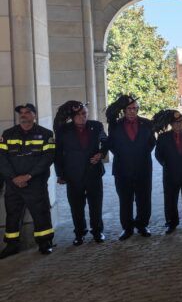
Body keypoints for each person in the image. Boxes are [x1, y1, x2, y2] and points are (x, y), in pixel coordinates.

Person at [0, 104, 56, 258]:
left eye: (27, 112)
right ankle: (11, 245)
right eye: (21, 113)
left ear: (34, 115)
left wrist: (28, 176)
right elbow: (2, 158)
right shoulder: (8, 134)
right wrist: (13, 178)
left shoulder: (46, 134)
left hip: (35, 183)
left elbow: (47, 158)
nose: (23, 115)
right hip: (13, 184)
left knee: (41, 213)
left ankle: (45, 243)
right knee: (12, 215)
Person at [54, 101, 108, 245]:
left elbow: (106, 142)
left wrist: (101, 154)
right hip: (73, 175)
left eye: (84, 113)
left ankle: (97, 232)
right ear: (72, 116)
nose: (82, 116)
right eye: (78, 114)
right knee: (76, 207)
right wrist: (60, 174)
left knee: (96, 205)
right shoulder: (63, 129)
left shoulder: (96, 126)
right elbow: (58, 153)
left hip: (93, 174)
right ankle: (79, 233)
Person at [106, 94, 156, 241]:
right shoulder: (115, 125)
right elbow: (112, 145)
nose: (132, 111)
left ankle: (142, 225)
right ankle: (127, 228)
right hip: (122, 168)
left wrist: (140, 153)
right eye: (129, 109)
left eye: (135, 108)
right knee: (125, 199)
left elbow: (151, 142)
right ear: (124, 110)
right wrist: (125, 155)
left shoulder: (147, 124)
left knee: (144, 198)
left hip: (143, 167)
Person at [154, 110, 182, 233]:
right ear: (171, 124)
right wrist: (166, 164)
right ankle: (171, 223)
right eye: (175, 122)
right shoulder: (163, 137)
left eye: (180, 122)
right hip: (170, 173)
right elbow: (158, 155)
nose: (178, 124)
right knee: (170, 199)